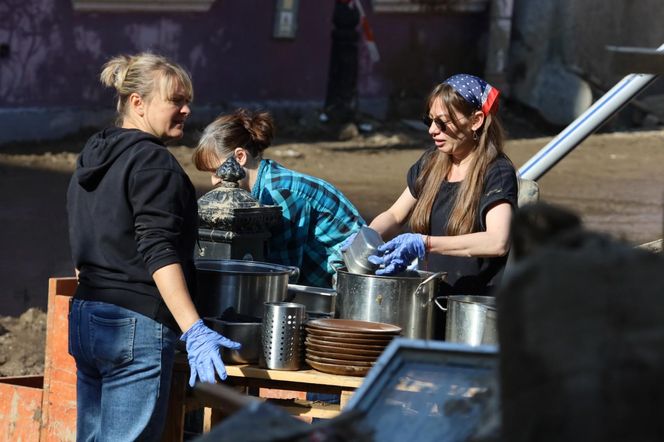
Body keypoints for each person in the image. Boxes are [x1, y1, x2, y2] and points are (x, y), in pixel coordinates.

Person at [66, 52, 240, 441]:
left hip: (86, 314)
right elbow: (158, 250)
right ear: (137, 103)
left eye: (186, 101)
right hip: (134, 324)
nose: (186, 109)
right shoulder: (153, 164)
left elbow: (83, 245)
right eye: (175, 101)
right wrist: (194, 328)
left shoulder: (90, 160)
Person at [365, 73, 518, 295]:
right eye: (429, 121)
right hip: (429, 298)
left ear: (476, 120)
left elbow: (497, 241)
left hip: (471, 307)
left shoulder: (497, 172)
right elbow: (394, 215)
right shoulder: (431, 162)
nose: (432, 130)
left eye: (442, 123)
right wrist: (365, 238)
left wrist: (425, 243)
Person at [192, 108, 365, 288]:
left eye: (216, 170)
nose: (213, 181)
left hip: (348, 281)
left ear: (240, 156)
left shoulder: (278, 194)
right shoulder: (266, 182)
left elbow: (284, 272)